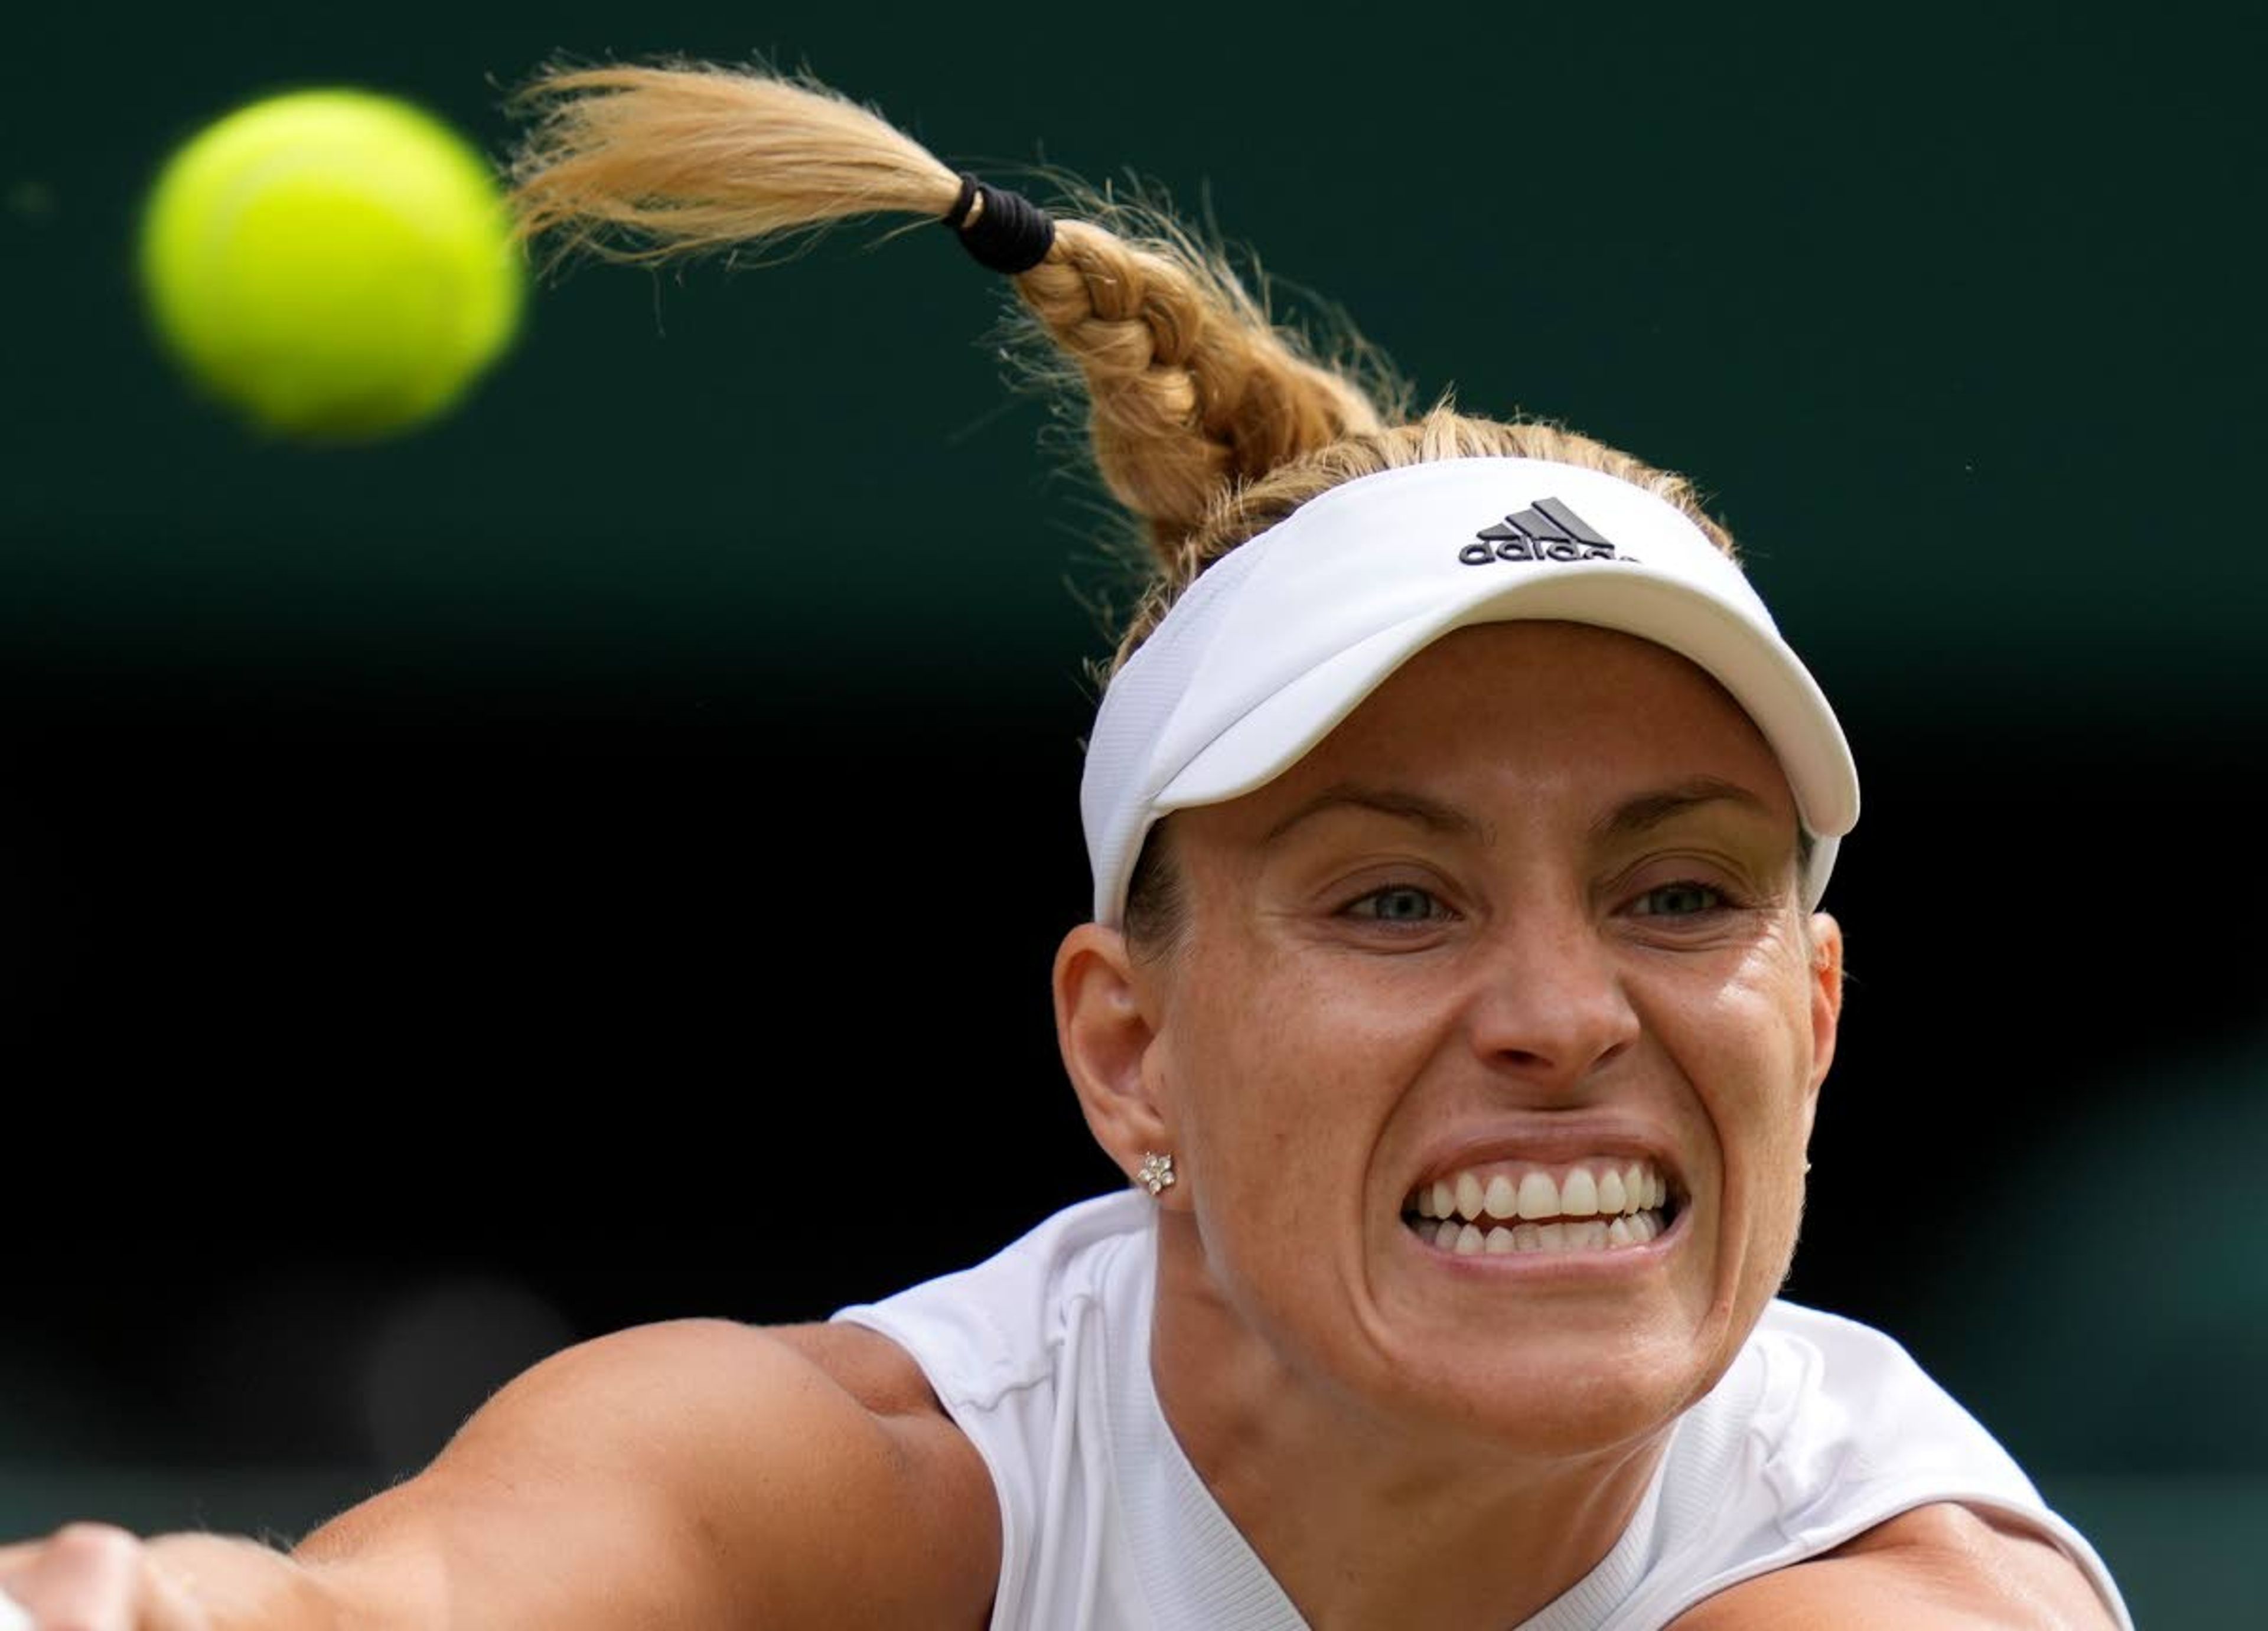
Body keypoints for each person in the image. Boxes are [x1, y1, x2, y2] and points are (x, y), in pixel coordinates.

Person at [0, 62, 2133, 1631]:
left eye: (1680, 895)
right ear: (1130, 1056)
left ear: (1819, 1021)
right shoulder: (851, 1483)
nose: (1569, 1014)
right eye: (1398, 898)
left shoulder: (1892, 1587)